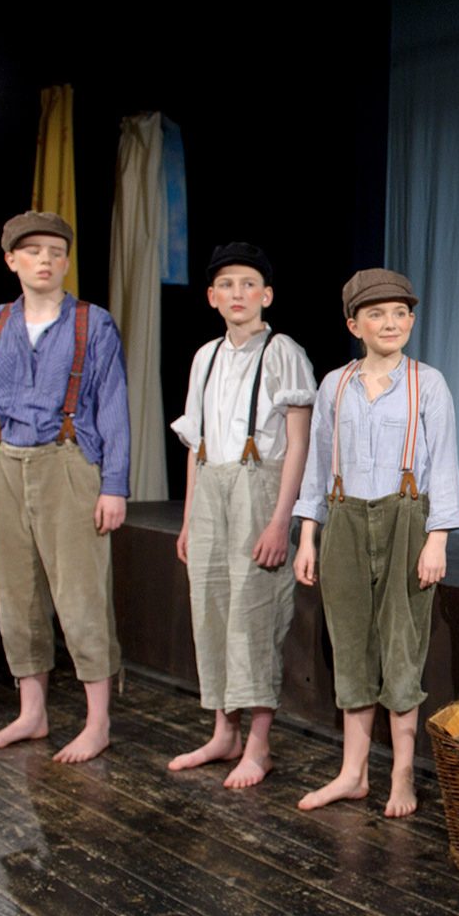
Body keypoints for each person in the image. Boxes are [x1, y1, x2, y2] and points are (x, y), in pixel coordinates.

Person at [0, 210, 130, 763]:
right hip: (4, 463)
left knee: (81, 596)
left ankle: (97, 720)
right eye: (33, 252)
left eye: (55, 252)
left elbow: (114, 408)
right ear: (12, 260)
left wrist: (115, 485)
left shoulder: (91, 323)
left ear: (67, 261)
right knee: (17, 594)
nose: (45, 261)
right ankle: (32, 713)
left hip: (68, 462)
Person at [293, 268, 459, 818]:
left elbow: (445, 468)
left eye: (400, 313)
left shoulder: (427, 383)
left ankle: (402, 775)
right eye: (376, 314)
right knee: (350, 643)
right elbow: (318, 469)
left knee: (401, 644)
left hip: (405, 521)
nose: (391, 323)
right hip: (343, 520)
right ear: (354, 324)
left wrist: (436, 539)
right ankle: (352, 772)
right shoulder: (334, 385)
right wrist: (307, 537)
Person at [168, 242, 314, 788]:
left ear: (267, 295)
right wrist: (186, 519)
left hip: (260, 489)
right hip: (211, 489)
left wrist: (282, 521)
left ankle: (258, 744)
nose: (238, 294)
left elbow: (299, 444)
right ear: (211, 296)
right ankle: (221, 731)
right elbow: (196, 444)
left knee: (254, 614)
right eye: (227, 285)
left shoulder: (284, 353)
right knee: (210, 606)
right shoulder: (204, 356)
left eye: (248, 284)